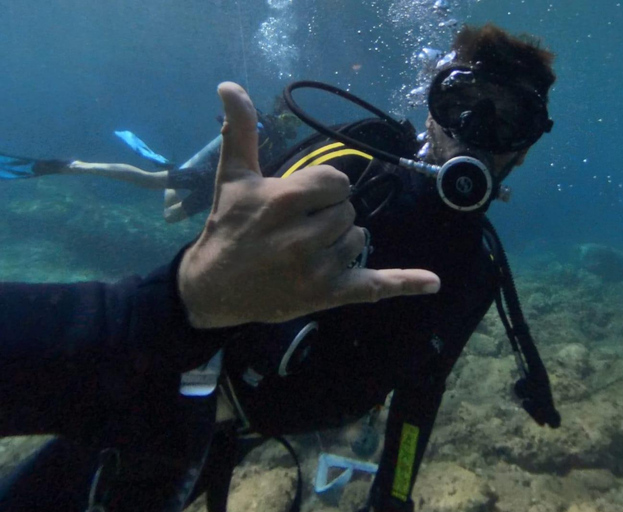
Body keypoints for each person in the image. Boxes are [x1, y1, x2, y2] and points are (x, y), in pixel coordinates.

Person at [0, 82, 441, 511]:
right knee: (159, 184)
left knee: (168, 201)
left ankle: (103, 165)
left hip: (201, 372)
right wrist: (188, 297)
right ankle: (69, 166)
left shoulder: (283, 138)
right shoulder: (273, 134)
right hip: (218, 195)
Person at [189, 23, 561, 512]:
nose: (475, 131)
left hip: (262, 426)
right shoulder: (348, 171)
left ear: (526, 146)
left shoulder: (478, 271)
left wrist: (394, 494)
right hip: (189, 400)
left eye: (510, 118)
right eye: (460, 102)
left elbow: (422, 389)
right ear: (431, 111)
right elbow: (214, 272)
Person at [0, 100, 301, 223]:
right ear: (279, 112)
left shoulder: (277, 143)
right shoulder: (260, 127)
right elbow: (227, 132)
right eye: (288, 119)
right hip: (212, 173)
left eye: (294, 124)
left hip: (222, 186)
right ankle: (78, 165)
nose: (290, 126)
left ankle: (170, 169)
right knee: (150, 180)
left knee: (170, 217)